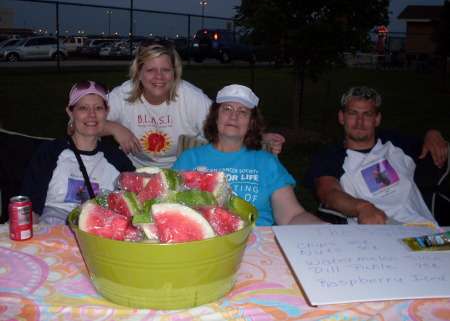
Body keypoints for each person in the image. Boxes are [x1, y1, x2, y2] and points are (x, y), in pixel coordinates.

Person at [102, 40, 285, 169]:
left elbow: (223, 127)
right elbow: (75, 127)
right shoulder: (123, 95)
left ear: (175, 72)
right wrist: (112, 126)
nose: (159, 77)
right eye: (150, 70)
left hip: (184, 170)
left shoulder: (190, 97)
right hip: (133, 169)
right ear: (138, 73)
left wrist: (258, 138)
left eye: (166, 70)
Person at [173, 84, 326, 226]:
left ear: (252, 122)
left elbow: (292, 215)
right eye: (227, 109)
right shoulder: (190, 158)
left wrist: (325, 229)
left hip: (257, 241)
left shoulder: (266, 162)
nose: (234, 116)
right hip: (204, 242)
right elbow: (170, 205)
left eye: (242, 112)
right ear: (215, 116)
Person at [306, 86, 448, 225]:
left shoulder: (397, 142)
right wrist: (362, 207)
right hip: (374, 233)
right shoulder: (330, 157)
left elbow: (432, 144)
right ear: (341, 117)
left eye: (367, 114)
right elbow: (330, 194)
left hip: (423, 229)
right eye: (353, 113)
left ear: (377, 119)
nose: (359, 121)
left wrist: (433, 134)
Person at [22, 80, 135, 225]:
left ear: (107, 112)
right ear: (70, 113)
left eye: (98, 108)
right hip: (51, 232)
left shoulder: (118, 160)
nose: (91, 115)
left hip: (97, 234)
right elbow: (29, 208)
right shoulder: (50, 153)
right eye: (83, 108)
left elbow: (133, 208)